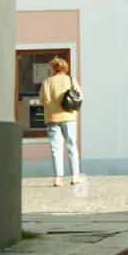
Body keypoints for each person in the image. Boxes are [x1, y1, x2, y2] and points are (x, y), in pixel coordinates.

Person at [40, 56, 84, 187]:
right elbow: (80, 97)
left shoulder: (47, 82)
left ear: (53, 68)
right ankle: (75, 176)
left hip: (52, 118)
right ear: (65, 68)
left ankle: (58, 178)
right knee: (72, 147)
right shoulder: (71, 80)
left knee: (55, 148)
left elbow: (42, 100)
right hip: (69, 117)